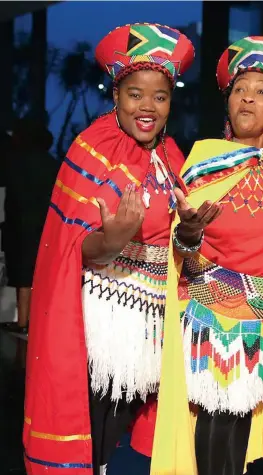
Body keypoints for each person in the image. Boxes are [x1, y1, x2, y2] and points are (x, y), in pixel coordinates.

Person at [22, 23, 216, 475]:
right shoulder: (91, 150)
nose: (148, 107)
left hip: (151, 325)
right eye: (135, 94)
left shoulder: (173, 160)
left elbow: (180, 251)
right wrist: (113, 239)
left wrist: (188, 234)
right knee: (95, 428)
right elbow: (74, 248)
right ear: (116, 96)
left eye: (160, 97)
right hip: (102, 323)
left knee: (125, 442)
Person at [129, 36, 263, 475]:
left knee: (239, 425)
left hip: (261, 316)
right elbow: (179, 248)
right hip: (206, 310)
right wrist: (187, 236)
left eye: (261, 91)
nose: (248, 97)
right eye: (240, 88)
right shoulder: (203, 158)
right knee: (209, 423)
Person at [0, 118, 59, 335]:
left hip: (20, 224)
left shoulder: (15, 162)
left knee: (22, 273)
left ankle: (23, 321)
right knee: (40, 273)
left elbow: (11, 193)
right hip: (46, 225)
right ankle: (36, 322)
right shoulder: (52, 164)